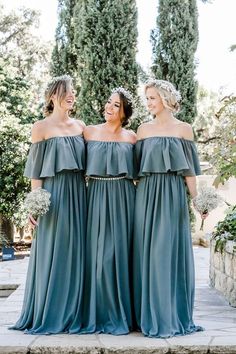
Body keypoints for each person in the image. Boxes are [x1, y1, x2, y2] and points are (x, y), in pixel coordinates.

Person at [11, 75, 87, 334]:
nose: (72, 95)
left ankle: (74, 310)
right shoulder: (40, 127)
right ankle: (50, 310)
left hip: (79, 194)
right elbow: (36, 173)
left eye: (74, 92)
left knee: (77, 251)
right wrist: (35, 206)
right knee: (53, 251)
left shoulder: (81, 126)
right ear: (53, 95)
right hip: (53, 197)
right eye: (67, 91)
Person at [133, 79, 207, 338]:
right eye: (148, 98)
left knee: (167, 252)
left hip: (173, 195)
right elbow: (135, 173)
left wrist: (197, 201)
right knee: (147, 253)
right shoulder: (142, 130)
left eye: (152, 98)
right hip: (146, 195)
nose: (149, 103)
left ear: (165, 99)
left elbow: (189, 171)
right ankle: (148, 314)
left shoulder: (184, 130)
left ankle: (169, 314)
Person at [81, 87, 137, 335]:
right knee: (99, 257)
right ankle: (99, 314)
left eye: (116, 105)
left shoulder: (132, 138)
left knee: (120, 255)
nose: (109, 107)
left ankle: (123, 314)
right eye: (108, 102)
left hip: (125, 198)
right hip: (95, 196)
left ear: (124, 112)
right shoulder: (88, 132)